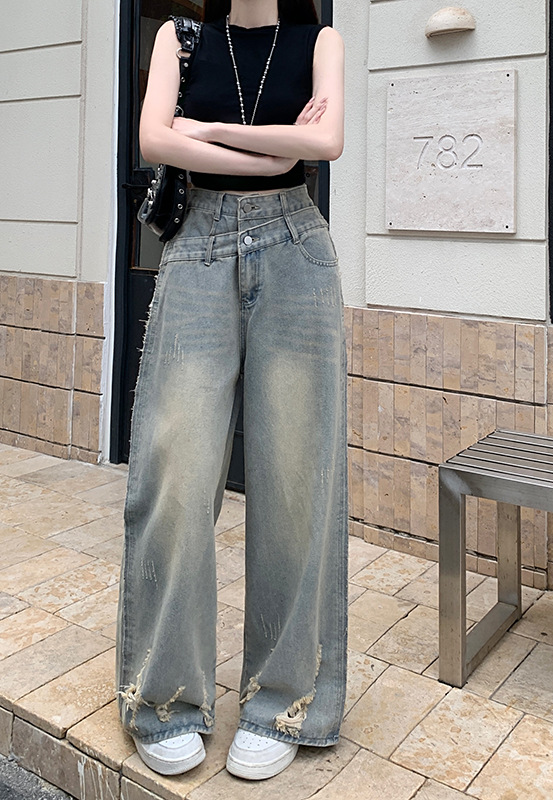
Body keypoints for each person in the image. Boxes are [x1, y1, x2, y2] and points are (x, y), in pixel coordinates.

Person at [116, 0, 347, 782]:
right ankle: (164, 698)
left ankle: (283, 700)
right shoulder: (179, 38)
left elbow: (327, 145)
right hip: (199, 247)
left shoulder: (320, 41)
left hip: (296, 248)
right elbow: (153, 140)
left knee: (295, 482)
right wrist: (276, 144)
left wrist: (207, 132)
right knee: (175, 473)